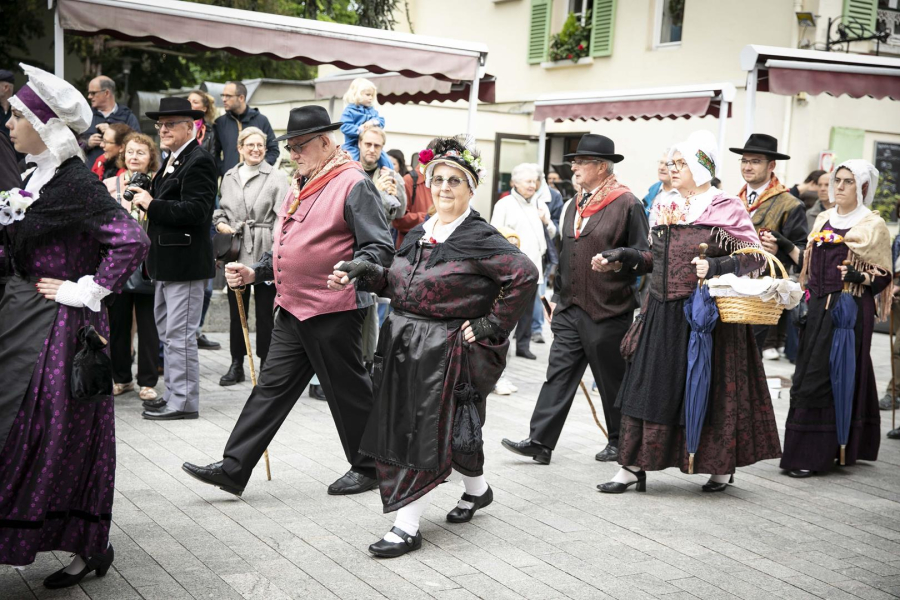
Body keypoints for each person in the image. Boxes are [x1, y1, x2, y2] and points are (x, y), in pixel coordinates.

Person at [326, 135, 538, 558]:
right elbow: (397, 280)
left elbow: (525, 274)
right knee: (451, 432)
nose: (443, 188)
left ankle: (406, 526)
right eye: (437, 179)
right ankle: (477, 491)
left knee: (421, 433)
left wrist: (490, 324)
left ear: (470, 188)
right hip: (404, 343)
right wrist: (359, 272)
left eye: (454, 181)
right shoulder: (423, 230)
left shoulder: (480, 236)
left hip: (444, 352)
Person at [181, 105, 395, 498]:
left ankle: (370, 466)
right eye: (290, 147)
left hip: (333, 308)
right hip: (293, 306)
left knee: (347, 391)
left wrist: (353, 268)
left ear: (326, 143)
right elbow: (285, 245)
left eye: (300, 146)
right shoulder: (301, 181)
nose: (293, 153)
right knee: (270, 390)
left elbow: (380, 247)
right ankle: (233, 469)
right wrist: (255, 272)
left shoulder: (352, 183)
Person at [0, 63, 149, 586]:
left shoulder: (73, 182)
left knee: (58, 432)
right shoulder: (30, 178)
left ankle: (89, 546)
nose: (9, 123)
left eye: (17, 116)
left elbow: (132, 240)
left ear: (42, 124)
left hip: (61, 328)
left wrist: (83, 290)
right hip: (23, 317)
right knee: (24, 428)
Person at [599, 131, 782, 494]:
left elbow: (755, 259)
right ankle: (632, 467)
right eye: (672, 162)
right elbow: (656, 259)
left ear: (702, 166)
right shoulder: (665, 203)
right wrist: (625, 257)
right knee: (647, 388)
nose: (673, 168)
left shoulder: (725, 205)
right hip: (661, 313)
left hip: (705, 317)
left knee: (711, 391)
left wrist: (715, 267)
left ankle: (719, 468)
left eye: (681, 163)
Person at [501, 134, 648, 466]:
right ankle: (540, 441)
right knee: (558, 374)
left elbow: (647, 256)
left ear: (600, 166)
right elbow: (565, 253)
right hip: (569, 307)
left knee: (612, 380)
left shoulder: (628, 203)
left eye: (580, 162)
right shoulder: (573, 203)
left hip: (609, 309)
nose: (574, 167)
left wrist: (622, 255)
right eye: (574, 162)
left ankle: (620, 440)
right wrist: (555, 297)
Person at [781, 160, 892, 478]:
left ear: (863, 188)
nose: (839, 186)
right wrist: (786, 245)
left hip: (848, 311)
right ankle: (839, 446)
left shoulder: (873, 225)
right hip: (816, 308)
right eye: (837, 181)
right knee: (806, 373)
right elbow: (808, 262)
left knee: (831, 374)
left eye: (847, 182)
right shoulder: (824, 218)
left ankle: (812, 455)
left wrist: (862, 276)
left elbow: (883, 274)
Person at [128, 97, 218, 420]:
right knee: (170, 333)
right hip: (166, 262)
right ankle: (172, 395)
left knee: (180, 335)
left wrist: (151, 204)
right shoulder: (174, 159)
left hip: (186, 263)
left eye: (170, 124)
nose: (163, 130)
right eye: (160, 125)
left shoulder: (199, 160)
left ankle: (183, 402)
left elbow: (196, 211)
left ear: (190, 126)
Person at [214, 126, 289, 386]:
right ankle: (237, 363)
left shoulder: (278, 177)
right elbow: (220, 212)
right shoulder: (230, 175)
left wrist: (276, 250)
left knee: (266, 311)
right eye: (250, 145)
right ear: (240, 148)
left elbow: (283, 218)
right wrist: (222, 225)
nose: (256, 149)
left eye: (260, 145)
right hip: (237, 248)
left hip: (266, 247)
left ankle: (267, 363)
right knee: (238, 310)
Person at [730, 134, 808, 359]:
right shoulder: (734, 200)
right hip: (730, 288)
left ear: (771, 165)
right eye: (744, 160)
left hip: (763, 293)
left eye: (755, 161)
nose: (747, 166)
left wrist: (779, 251)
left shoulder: (790, 204)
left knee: (747, 357)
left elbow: (801, 254)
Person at [103, 132, 161, 404]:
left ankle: (148, 382)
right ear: (122, 155)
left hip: (150, 265)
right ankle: (121, 378)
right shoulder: (108, 185)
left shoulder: (159, 186)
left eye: (141, 152)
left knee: (149, 326)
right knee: (118, 324)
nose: (135, 157)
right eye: (130, 152)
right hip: (117, 265)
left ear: (151, 157)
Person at [490, 163, 555, 360]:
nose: (532, 185)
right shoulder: (504, 204)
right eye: (528, 181)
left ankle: (524, 346)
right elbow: (495, 233)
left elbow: (552, 233)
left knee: (528, 310)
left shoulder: (540, 204)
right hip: (512, 268)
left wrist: (546, 221)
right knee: (508, 308)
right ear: (515, 183)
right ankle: (501, 346)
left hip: (535, 265)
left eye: (534, 182)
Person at [213, 81, 278, 176]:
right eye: (223, 95)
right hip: (230, 182)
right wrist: (224, 170)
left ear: (241, 98)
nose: (224, 99)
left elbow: (273, 149)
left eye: (228, 96)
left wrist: (260, 169)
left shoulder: (261, 120)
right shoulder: (219, 123)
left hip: (258, 182)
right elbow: (214, 153)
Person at [81, 75, 141, 167]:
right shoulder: (85, 116)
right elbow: (72, 145)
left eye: (93, 93)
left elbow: (138, 144)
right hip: (90, 175)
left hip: (118, 175)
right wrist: (87, 143)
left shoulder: (127, 116)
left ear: (107, 93)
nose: (89, 96)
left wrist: (113, 133)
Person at [340, 78, 391, 169]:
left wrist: (372, 122)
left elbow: (381, 121)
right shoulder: (349, 111)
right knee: (351, 164)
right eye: (368, 95)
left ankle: (389, 175)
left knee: (386, 160)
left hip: (369, 142)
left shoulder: (372, 111)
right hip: (352, 144)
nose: (371, 98)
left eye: (372, 95)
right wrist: (360, 129)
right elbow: (344, 127)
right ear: (357, 95)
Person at [394, 142, 438, 248]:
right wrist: (429, 217)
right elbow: (398, 220)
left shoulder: (443, 184)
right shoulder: (409, 181)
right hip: (411, 250)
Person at [645, 150, 680, 225]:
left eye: (667, 164)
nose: (661, 167)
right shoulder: (652, 192)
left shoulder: (684, 195)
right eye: (661, 163)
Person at [187, 89, 218, 154]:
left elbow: (212, 156)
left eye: (195, 102)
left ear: (204, 109)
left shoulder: (210, 131)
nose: (190, 104)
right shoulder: (178, 126)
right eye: (188, 101)